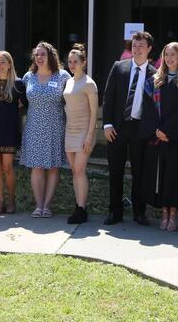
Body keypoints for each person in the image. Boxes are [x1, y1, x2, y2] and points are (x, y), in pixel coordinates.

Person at [102, 31, 157, 226]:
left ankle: (139, 212)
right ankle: (114, 212)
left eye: (141, 46)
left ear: (149, 49)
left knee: (139, 173)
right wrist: (107, 124)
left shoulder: (155, 74)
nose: (137, 49)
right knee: (115, 171)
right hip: (117, 128)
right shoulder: (119, 68)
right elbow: (108, 98)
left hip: (140, 129)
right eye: (134, 45)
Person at [140, 42, 178, 231]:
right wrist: (156, 130)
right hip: (158, 138)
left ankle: (174, 214)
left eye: (174, 55)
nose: (170, 58)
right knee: (161, 176)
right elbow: (148, 110)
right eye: (167, 55)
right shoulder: (154, 81)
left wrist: (168, 132)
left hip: (176, 139)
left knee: (175, 176)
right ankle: (164, 212)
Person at [20, 42, 71, 217]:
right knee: (37, 166)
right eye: (37, 54)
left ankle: (47, 206)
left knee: (54, 166)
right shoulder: (28, 77)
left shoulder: (62, 76)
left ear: (51, 56)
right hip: (34, 126)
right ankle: (38, 205)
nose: (40, 58)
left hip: (56, 126)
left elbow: (71, 100)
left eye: (43, 54)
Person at [0, 51, 27, 215]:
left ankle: (12, 200)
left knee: (7, 166)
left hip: (9, 130)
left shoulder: (18, 84)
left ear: (9, 64)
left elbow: (25, 105)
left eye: (2, 62)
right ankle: (0, 201)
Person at [63, 44, 98, 224]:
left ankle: (81, 209)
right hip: (70, 130)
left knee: (79, 169)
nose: (72, 64)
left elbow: (94, 112)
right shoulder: (69, 81)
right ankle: (78, 205)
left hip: (84, 132)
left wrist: (89, 136)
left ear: (83, 62)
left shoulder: (89, 84)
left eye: (75, 61)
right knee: (74, 171)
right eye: (69, 61)